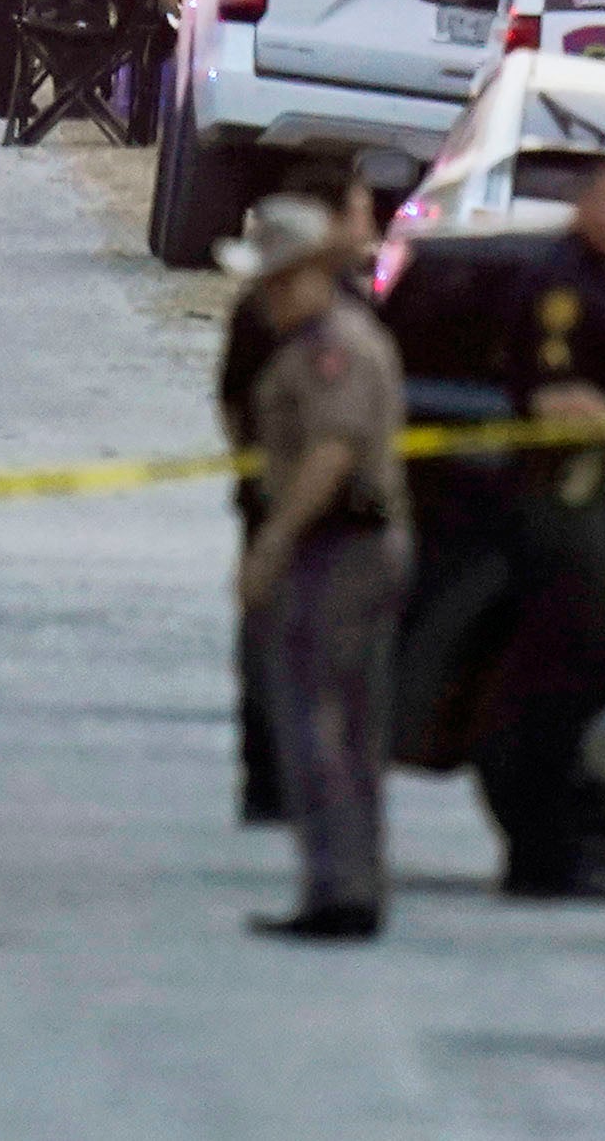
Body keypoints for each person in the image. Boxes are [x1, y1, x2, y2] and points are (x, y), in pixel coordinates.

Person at [226, 194, 412, 941]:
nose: (264, 297)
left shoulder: (330, 349)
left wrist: (273, 540)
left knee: (317, 721)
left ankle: (339, 886)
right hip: (351, 546)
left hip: (340, 549)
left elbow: (331, 453)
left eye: (274, 280)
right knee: (348, 724)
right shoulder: (323, 341)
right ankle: (348, 882)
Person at [475, 155, 605, 898]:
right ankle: (540, 859)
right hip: (558, 507)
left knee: (569, 685)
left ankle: (551, 850)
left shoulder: (602, 283)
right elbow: (553, 403)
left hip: (585, 506)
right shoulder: (562, 288)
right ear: (582, 205)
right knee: (549, 690)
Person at [217, 155, 381, 827]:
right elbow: (238, 402)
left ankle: (294, 782)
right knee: (277, 646)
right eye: (362, 207)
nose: (370, 221)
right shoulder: (291, 310)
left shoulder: (342, 303)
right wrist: (266, 487)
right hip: (292, 500)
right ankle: (274, 778)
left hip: (327, 508)